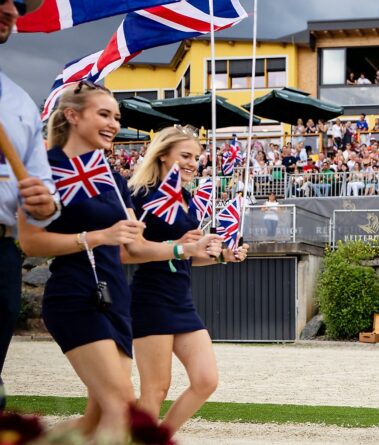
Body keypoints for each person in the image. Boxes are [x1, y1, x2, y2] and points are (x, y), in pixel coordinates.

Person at [15, 83, 220, 440]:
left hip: (116, 298)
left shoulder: (110, 175)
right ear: (72, 115)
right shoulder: (46, 166)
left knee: (97, 421)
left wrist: (185, 249)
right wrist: (98, 237)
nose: (113, 123)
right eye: (104, 114)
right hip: (76, 294)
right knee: (123, 406)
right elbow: (30, 242)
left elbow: (135, 246)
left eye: (116, 117)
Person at [128, 126, 247, 437]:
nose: (194, 162)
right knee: (155, 390)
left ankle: (158, 438)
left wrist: (224, 256)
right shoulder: (143, 196)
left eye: (196, 156)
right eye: (185, 155)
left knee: (206, 380)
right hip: (151, 296)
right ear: (163, 154)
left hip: (181, 298)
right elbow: (128, 253)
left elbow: (188, 255)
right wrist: (179, 245)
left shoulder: (186, 198)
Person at [0, 0, 61, 411]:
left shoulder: (19, 101)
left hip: (2, 249)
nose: (13, 10)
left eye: (19, 4)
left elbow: (44, 189)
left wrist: (44, 203)